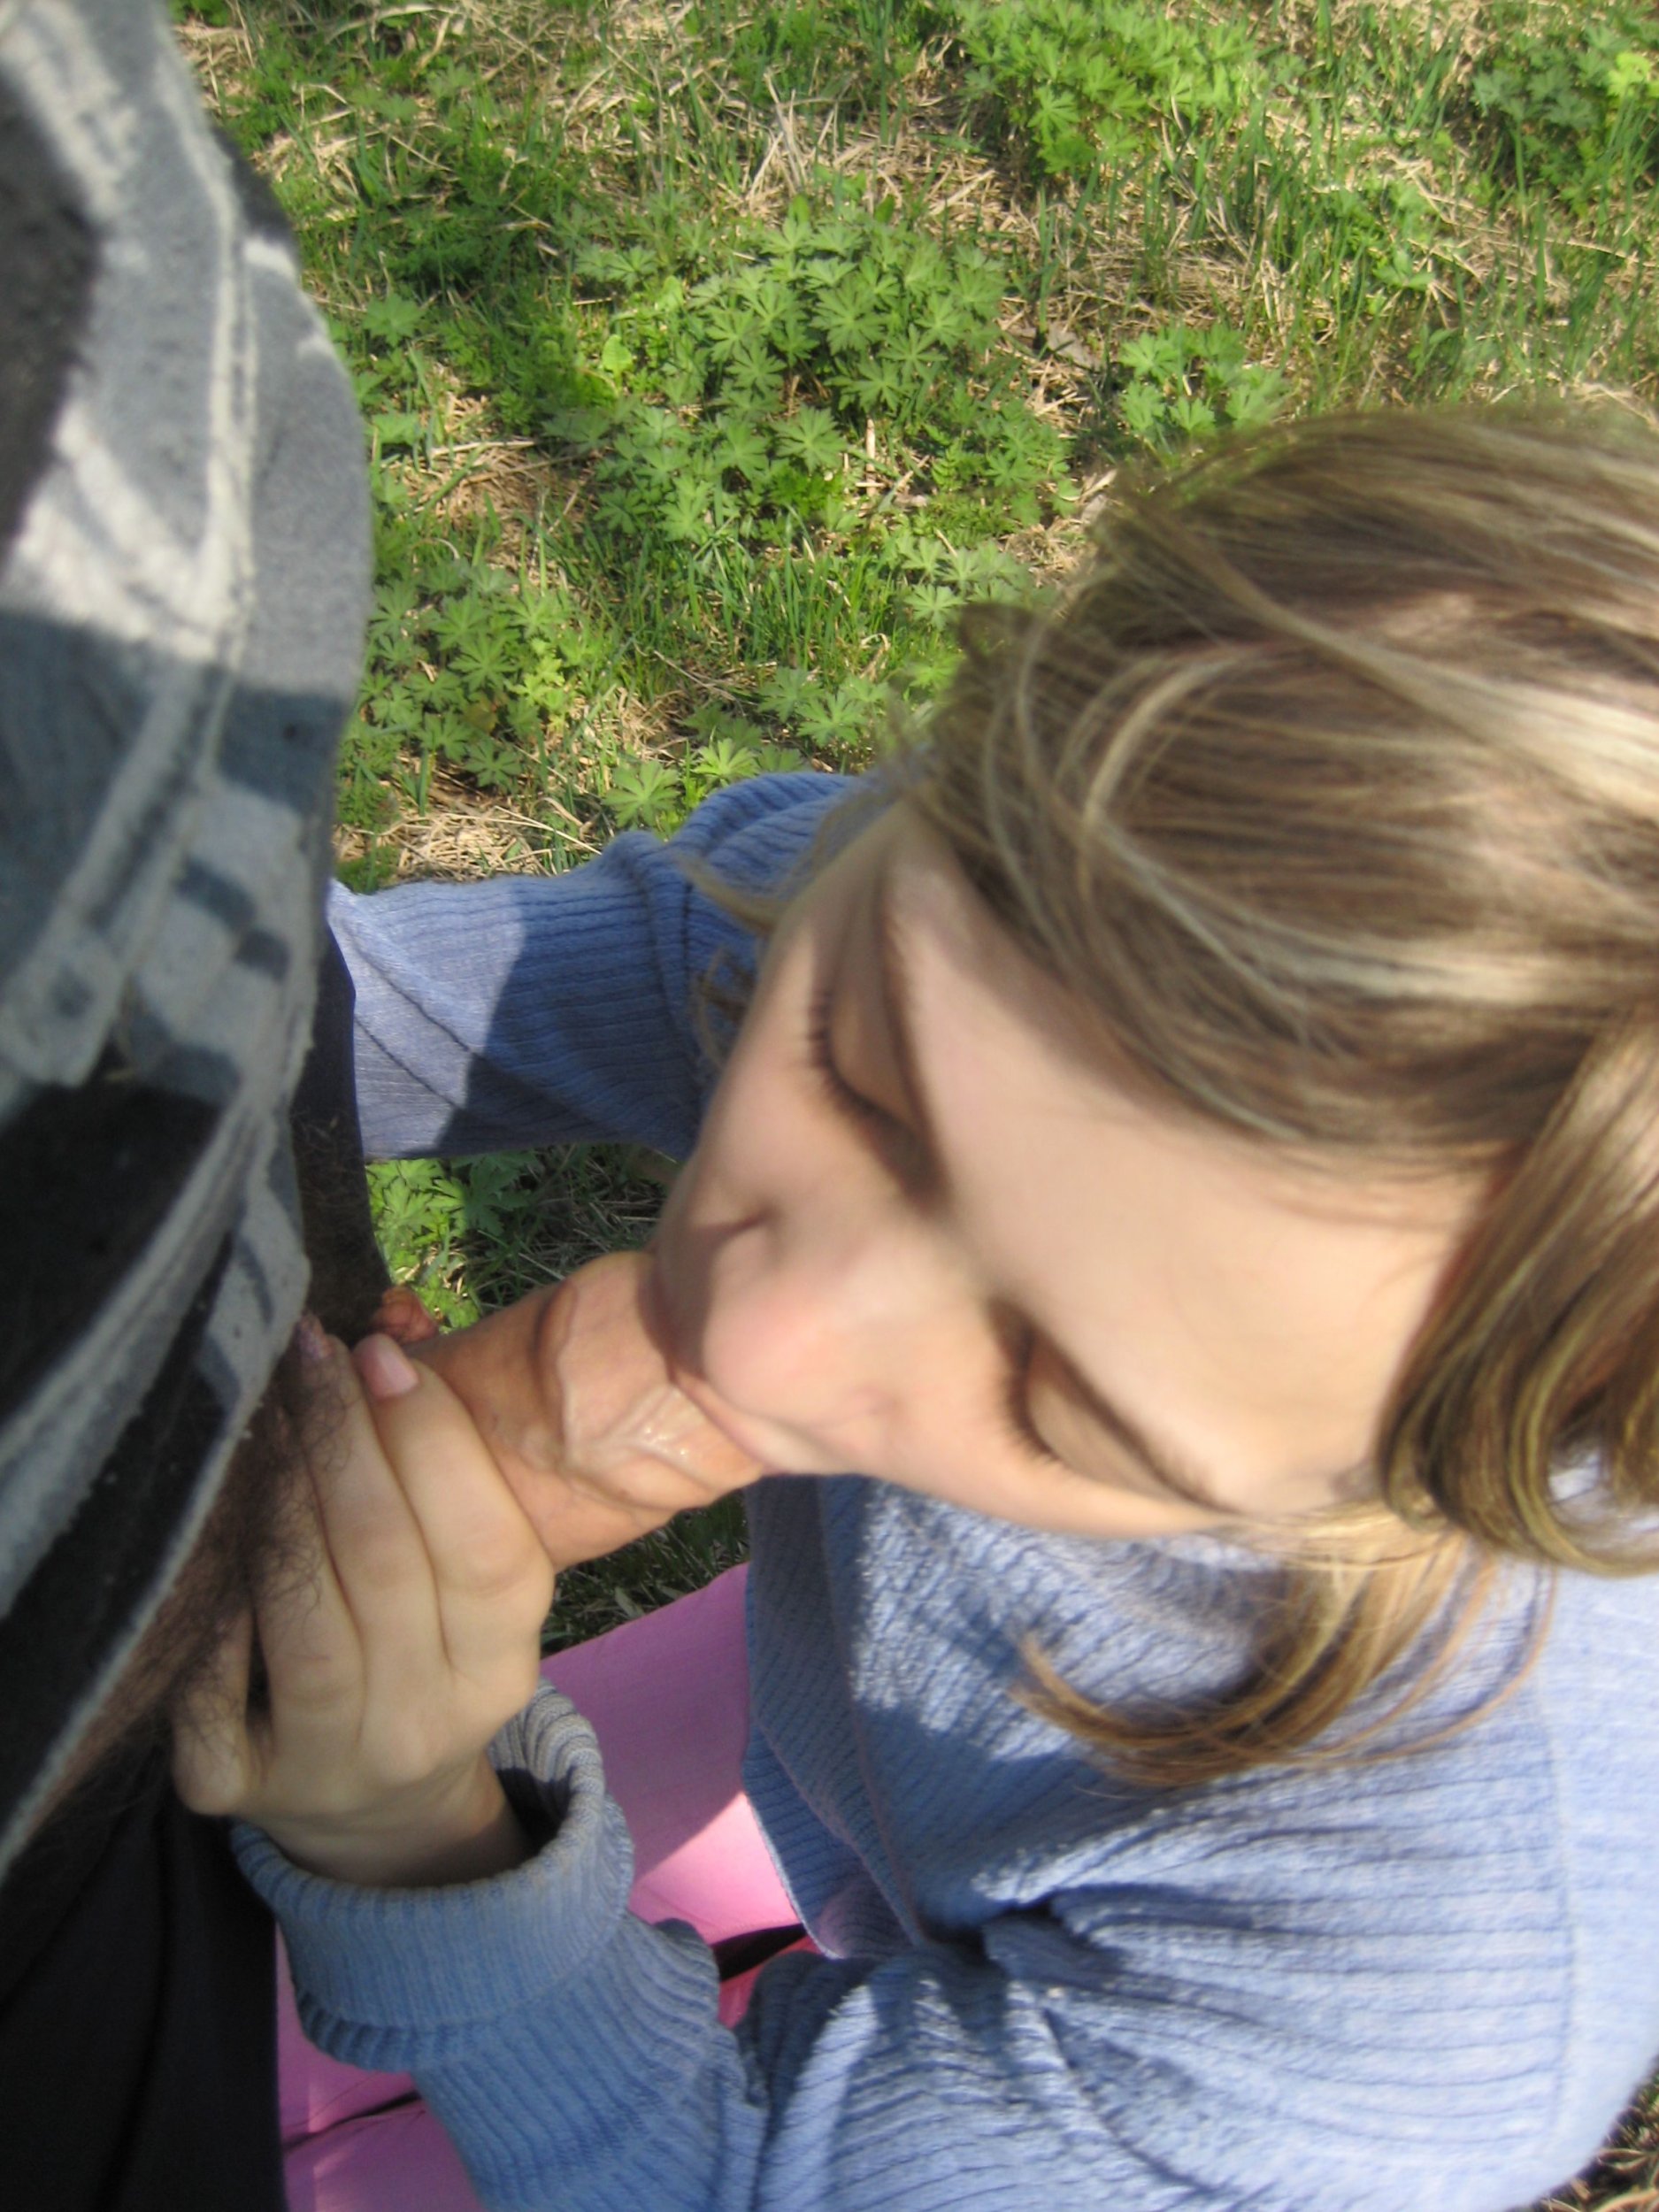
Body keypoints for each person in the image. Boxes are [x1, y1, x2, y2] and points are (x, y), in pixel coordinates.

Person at [178, 406, 1659, 2212]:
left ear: (1420, 1482)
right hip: (832, 1728)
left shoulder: (1399, 2006)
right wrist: (148, 1051)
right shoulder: (1033, 929)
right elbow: (432, 1000)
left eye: (1054, 1393)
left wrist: (422, 1844)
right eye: (859, 1071)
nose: (751, 1337)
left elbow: (724, 2184)